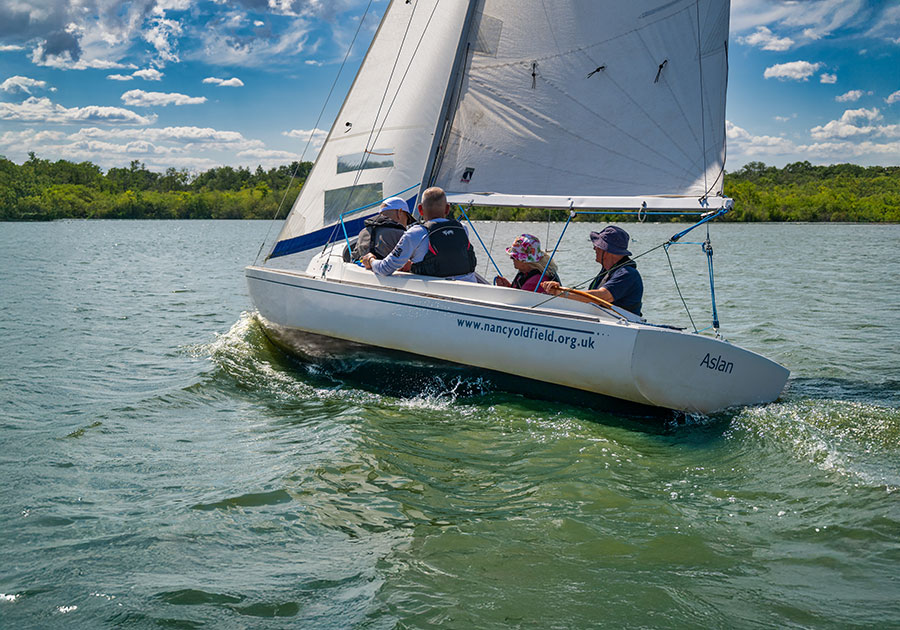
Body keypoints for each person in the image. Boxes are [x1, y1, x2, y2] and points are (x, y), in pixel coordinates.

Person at [361, 187, 479, 282]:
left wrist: (370, 260)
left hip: (437, 294)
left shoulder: (416, 233)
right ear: (447, 209)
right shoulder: (463, 229)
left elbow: (384, 268)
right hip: (470, 288)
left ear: (420, 210)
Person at [541, 225, 643, 316]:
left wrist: (562, 293)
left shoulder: (627, 274)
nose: (594, 248)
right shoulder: (607, 271)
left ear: (608, 251)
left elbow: (602, 297)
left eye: (599, 246)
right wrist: (557, 290)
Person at [344, 197, 414, 262]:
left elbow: (354, 258)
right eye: (407, 219)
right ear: (400, 212)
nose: (406, 224)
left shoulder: (363, 233)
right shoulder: (402, 235)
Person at [494, 233, 560, 293]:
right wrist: (508, 287)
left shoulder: (535, 281)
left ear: (524, 260)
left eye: (513, 257)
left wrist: (504, 291)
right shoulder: (527, 273)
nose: (511, 258)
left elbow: (517, 300)